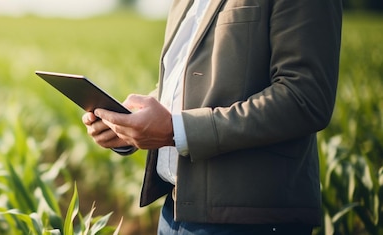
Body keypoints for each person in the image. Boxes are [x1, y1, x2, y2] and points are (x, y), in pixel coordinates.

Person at [82, 0, 343, 234]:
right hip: (174, 209)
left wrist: (176, 130)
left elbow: (304, 99)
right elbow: (189, 83)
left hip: (252, 221)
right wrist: (128, 122)